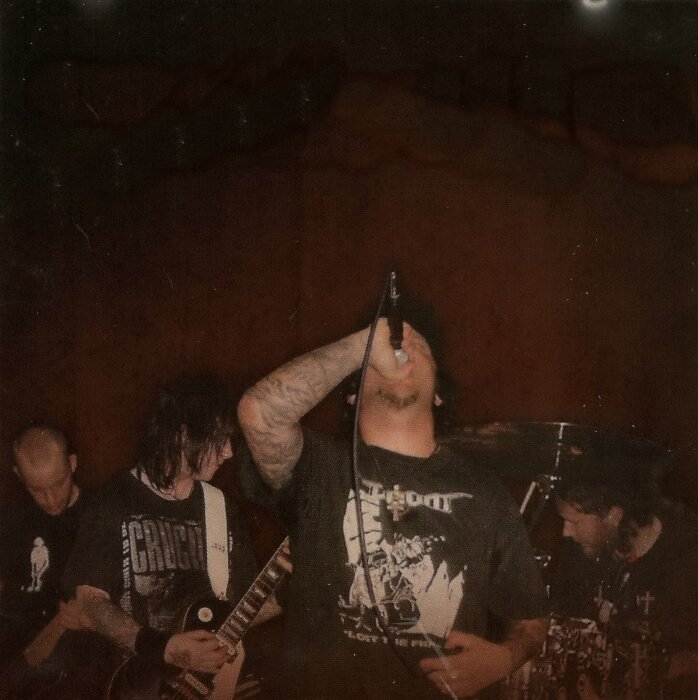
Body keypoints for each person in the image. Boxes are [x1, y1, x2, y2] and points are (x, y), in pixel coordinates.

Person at [238, 296, 549, 699]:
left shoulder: (487, 491)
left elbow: (532, 618)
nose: (404, 353)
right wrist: (363, 345)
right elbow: (259, 412)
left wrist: (504, 659)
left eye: (421, 350)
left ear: (438, 394)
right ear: (352, 394)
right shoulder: (320, 467)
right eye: (386, 353)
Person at [62, 375, 279, 698]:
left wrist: (296, 592)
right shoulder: (113, 501)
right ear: (183, 434)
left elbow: (239, 609)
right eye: (219, 439)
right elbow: (90, 601)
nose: (229, 452)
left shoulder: (223, 510)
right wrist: (165, 648)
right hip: (135, 685)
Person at [552, 460, 698, 699]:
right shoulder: (588, 551)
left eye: (574, 522)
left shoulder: (687, 558)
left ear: (614, 515)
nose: (565, 532)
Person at [0, 426, 90, 683]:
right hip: (12, 638)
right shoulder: (13, 519)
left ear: (72, 463)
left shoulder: (97, 517)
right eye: (36, 489)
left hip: (56, 650)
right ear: (19, 475)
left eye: (58, 484)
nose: (50, 499)